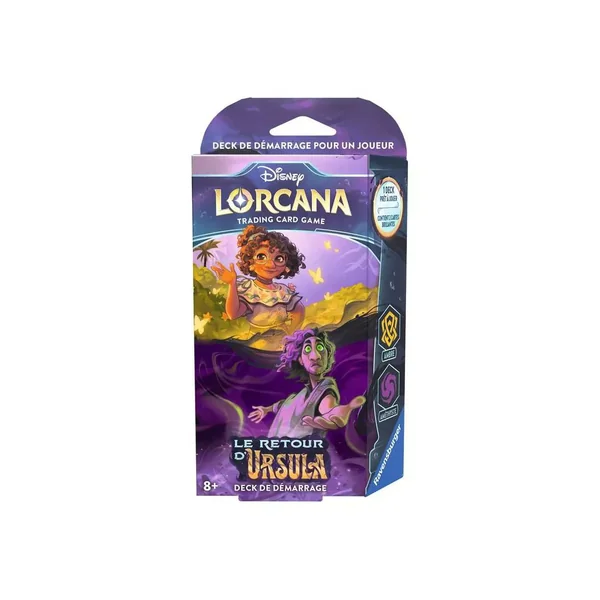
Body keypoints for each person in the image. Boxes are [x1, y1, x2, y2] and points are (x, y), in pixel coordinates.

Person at [248, 329, 365, 438]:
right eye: (308, 349)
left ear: (327, 355)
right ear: (300, 360)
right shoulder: (298, 396)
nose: (315, 356)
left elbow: (326, 404)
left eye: (320, 347)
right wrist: (266, 409)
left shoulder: (326, 387)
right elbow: (283, 405)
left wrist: (333, 414)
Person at [211, 225, 305, 332]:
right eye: (261, 257)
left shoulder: (283, 291)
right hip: (257, 338)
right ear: (250, 261)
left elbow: (299, 310)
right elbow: (233, 314)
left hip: (281, 337)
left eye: (279, 258)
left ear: (287, 265)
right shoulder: (250, 290)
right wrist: (232, 283)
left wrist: (291, 334)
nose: (270, 265)